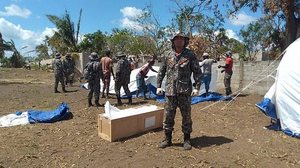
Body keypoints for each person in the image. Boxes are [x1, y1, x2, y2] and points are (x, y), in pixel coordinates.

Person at [156, 32, 202, 150]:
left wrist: (197, 87)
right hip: (170, 92)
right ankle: (167, 139)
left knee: (186, 116)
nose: (179, 41)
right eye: (177, 39)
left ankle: (187, 140)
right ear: (173, 41)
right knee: (168, 116)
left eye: (181, 39)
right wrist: (158, 86)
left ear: (185, 41)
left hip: (185, 92)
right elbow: (161, 71)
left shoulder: (190, 55)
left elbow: (197, 72)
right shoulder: (168, 55)